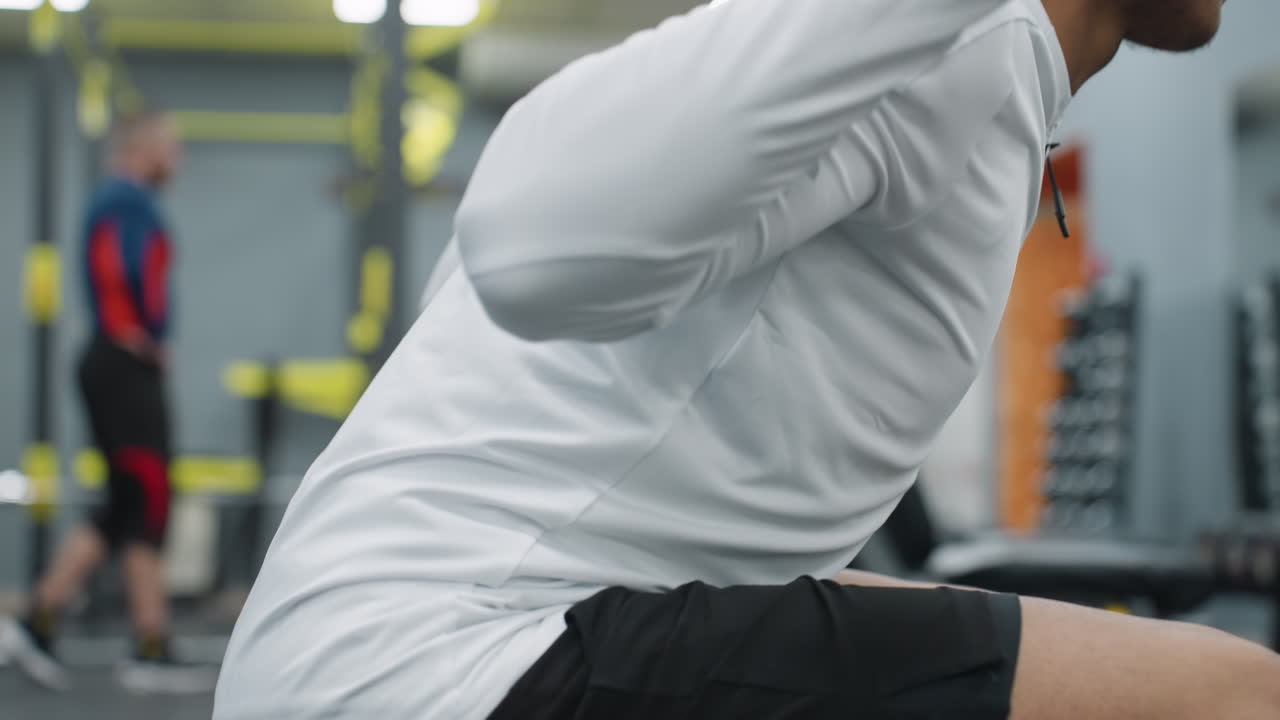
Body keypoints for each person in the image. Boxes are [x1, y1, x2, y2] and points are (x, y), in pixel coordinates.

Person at [216, 0, 1280, 718]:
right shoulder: (953, 43)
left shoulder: (980, 78)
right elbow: (525, 241)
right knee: (1233, 700)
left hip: (427, 657)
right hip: (443, 665)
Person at [0, 110, 213, 695]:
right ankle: (149, 648)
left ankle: (36, 620)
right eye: (173, 145)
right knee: (146, 497)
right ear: (142, 147)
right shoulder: (127, 200)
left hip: (115, 362)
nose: (179, 157)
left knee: (125, 505)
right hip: (123, 363)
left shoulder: (123, 198)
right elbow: (117, 266)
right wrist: (134, 335)